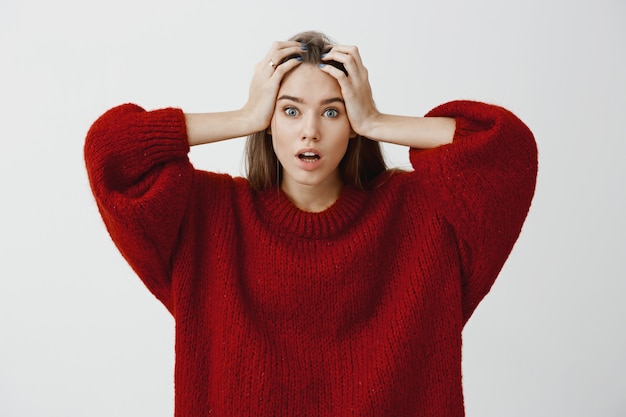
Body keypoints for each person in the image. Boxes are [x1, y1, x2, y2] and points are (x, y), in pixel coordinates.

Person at [84, 31, 537, 417]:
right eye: (290, 110)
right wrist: (244, 116)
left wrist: (376, 120)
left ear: (352, 124)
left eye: (333, 111)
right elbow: (111, 153)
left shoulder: (422, 216)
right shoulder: (208, 218)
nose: (310, 132)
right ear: (269, 122)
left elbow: (507, 149)